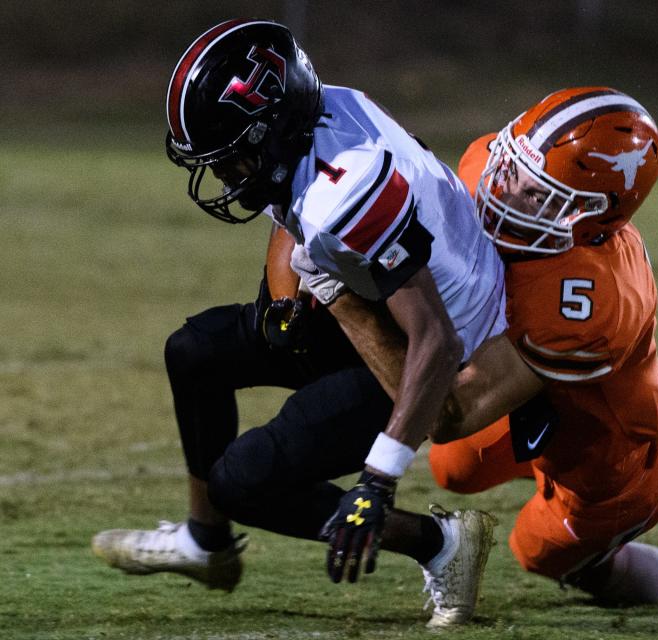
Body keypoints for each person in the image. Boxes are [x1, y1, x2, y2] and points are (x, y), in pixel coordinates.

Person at [344, 87, 658, 606]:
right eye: (510, 168)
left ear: (591, 217)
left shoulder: (585, 300)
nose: (502, 193)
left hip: (608, 456)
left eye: (536, 196)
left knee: (539, 551)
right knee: (452, 468)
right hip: (534, 401)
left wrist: (351, 300)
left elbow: (451, 411)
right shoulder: (491, 163)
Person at [92, 18, 504, 629]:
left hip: (432, 344)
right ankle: (207, 544)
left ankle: (440, 543)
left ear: (274, 129)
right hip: (376, 292)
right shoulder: (323, 111)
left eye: (233, 158)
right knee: (195, 350)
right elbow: (290, 213)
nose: (228, 176)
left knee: (243, 480)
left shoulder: (350, 193)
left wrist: (378, 481)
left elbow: (436, 342)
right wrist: (283, 299)